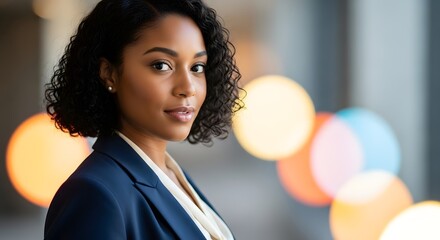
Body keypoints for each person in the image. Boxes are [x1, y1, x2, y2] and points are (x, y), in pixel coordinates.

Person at [43, 0, 243, 239]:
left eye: (197, 67)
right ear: (109, 73)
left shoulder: (169, 174)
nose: (188, 87)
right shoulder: (94, 194)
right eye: (161, 65)